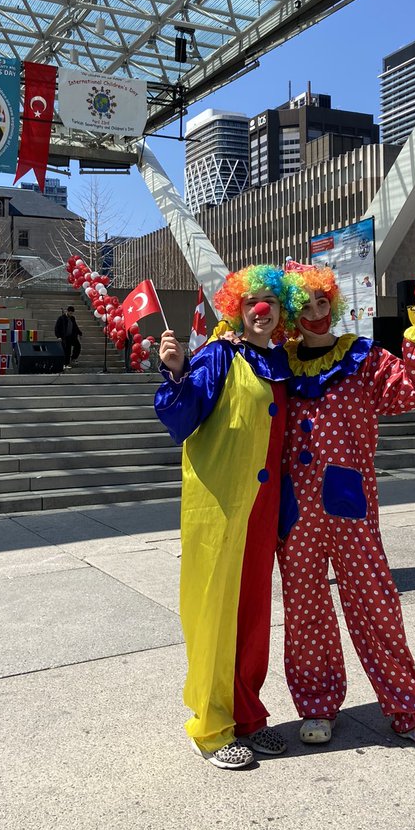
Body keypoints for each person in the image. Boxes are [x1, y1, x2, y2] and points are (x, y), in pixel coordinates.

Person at [278, 262, 415, 753]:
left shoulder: (361, 358)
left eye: (321, 302)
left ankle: (408, 710)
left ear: (333, 304)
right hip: (295, 515)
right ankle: (316, 706)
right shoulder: (276, 365)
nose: (314, 313)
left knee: (377, 607)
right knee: (304, 612)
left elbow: (413, 387)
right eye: (303, 305)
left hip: (352, 506)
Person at [154, 266, 299, 770]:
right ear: (238, 307)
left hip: (263, 512)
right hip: (218, 508)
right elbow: (182, 415)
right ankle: (210, 725)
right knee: (214, 613)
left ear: (282, 313)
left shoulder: (281, 360)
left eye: (273, 303)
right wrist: (175, 371)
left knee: (254, 617)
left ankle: (248, 713)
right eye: (254, 301)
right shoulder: (220, 354)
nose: (263, 310)